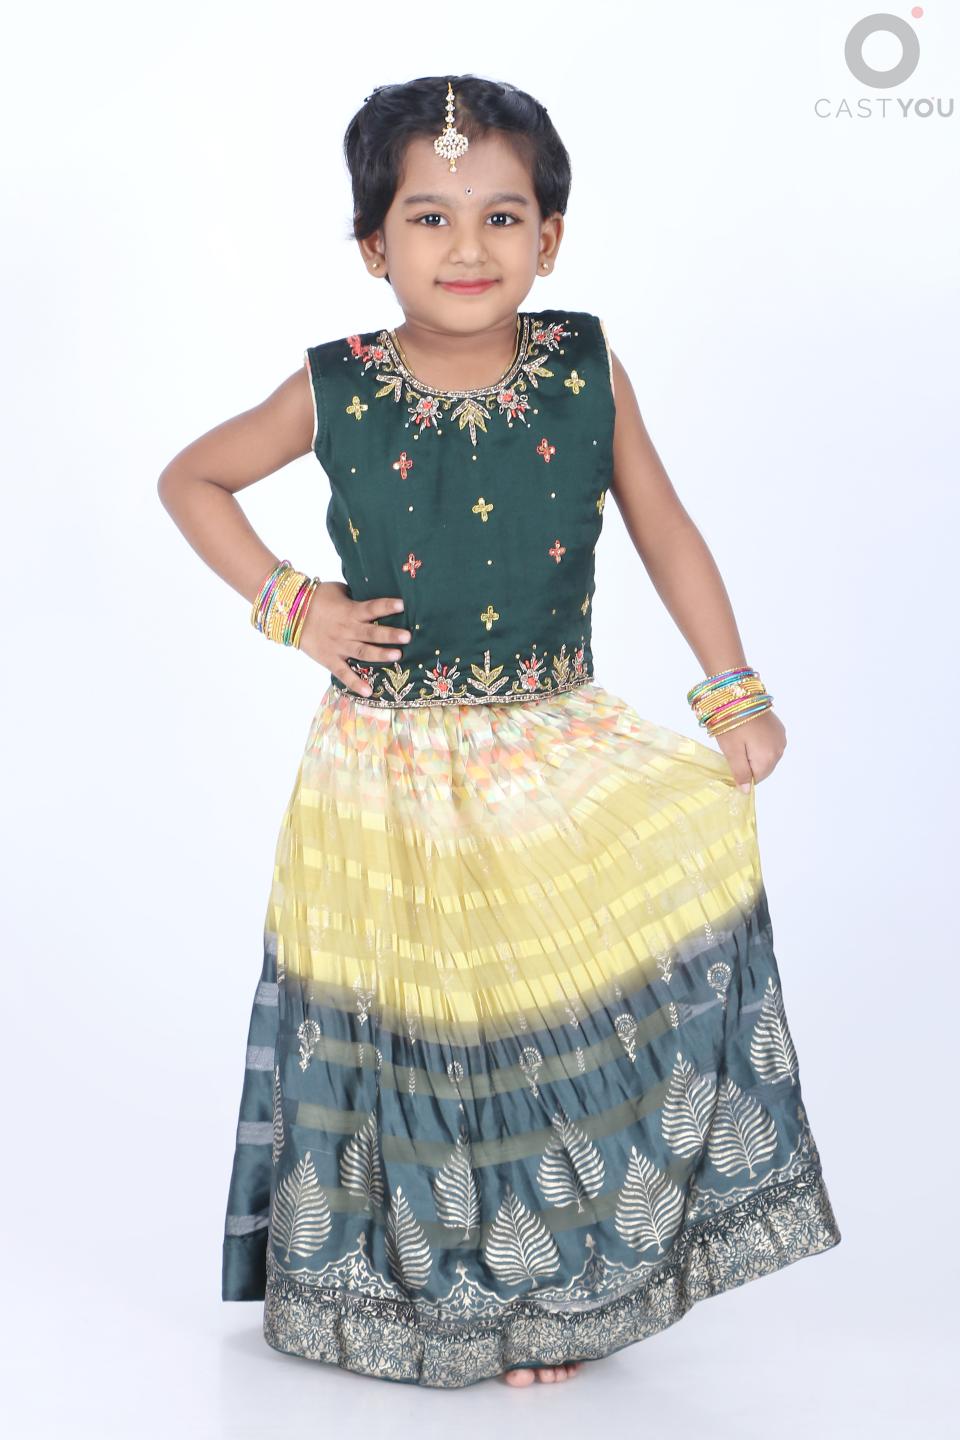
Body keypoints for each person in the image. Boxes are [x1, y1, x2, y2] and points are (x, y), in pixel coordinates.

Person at [158, 74, 841, 1390]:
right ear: (374, 246)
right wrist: (297, 609)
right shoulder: (335, 386)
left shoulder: (586, 368)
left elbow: (665, 529)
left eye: (502, 216)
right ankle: (412, 1295)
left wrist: (734, 691)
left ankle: (550, 1295)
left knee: (538, 1026)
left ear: (551, 236)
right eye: (429, 217)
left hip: (547, 757)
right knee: (418, 1033)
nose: (467, 246)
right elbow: (192, 478)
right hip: (383, 772)